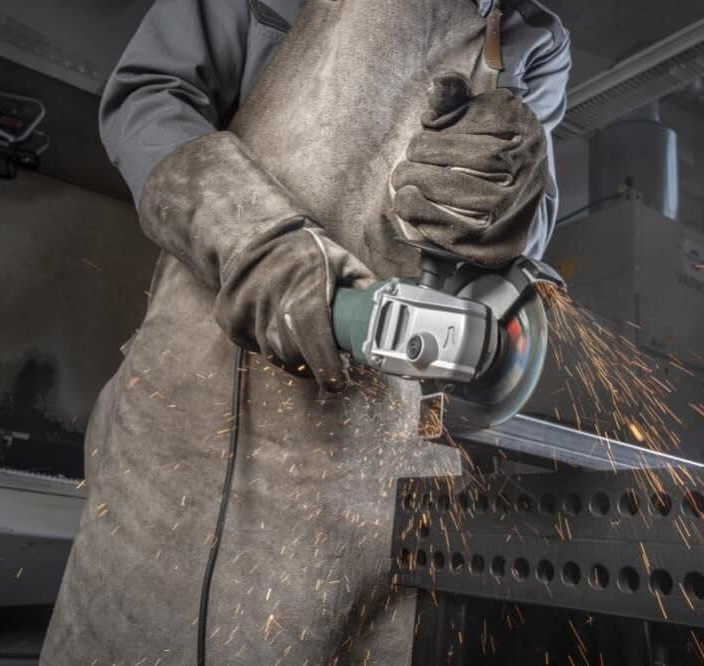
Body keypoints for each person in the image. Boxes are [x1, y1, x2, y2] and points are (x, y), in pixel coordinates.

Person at [42, 0, 570, 663]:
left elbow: (524, 236)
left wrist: (512, 200)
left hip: (371, 455)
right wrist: (256, 246)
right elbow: (147, 101)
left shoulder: (536, 39)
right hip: (192, 425)